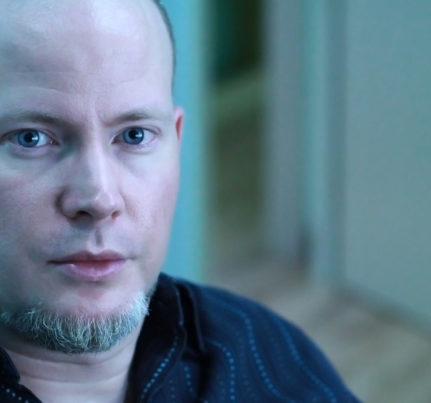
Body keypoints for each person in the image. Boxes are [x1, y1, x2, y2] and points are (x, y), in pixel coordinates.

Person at [0, 0, 359, 402]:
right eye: (30, 138)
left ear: (176, 141)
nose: (100, 199)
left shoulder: (270, 352)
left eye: (135, 135)